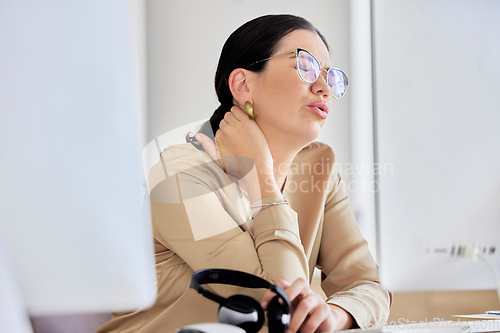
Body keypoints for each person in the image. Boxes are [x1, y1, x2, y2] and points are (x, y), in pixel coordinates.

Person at [97, 14, 390, 333]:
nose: (323, 88)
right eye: (305, 66)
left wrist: (337, 313)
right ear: (242, 84)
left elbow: (368, 284)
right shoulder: (178, 177)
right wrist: (263, 182)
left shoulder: (317, 168)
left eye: (329, 76)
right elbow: (276, 309)